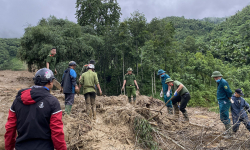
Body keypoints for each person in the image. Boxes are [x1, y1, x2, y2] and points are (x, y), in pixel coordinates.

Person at [4, 68, 67, 150]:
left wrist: (8, 147)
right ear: (50, 82)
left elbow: (10, 129)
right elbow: (57, 132)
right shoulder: (53, 102)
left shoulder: (17, 101)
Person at [211, 71, 233, 136]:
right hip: (221, 101)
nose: (215, 79)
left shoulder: (223, 82)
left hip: (225, 101)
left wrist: (229, 98)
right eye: (214, 78)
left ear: (219, 76)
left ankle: (229, 133)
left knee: (225, 116)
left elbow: (229, 91)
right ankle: (227, 131)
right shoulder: (219, 82)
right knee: (222, 117)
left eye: (216, 77)